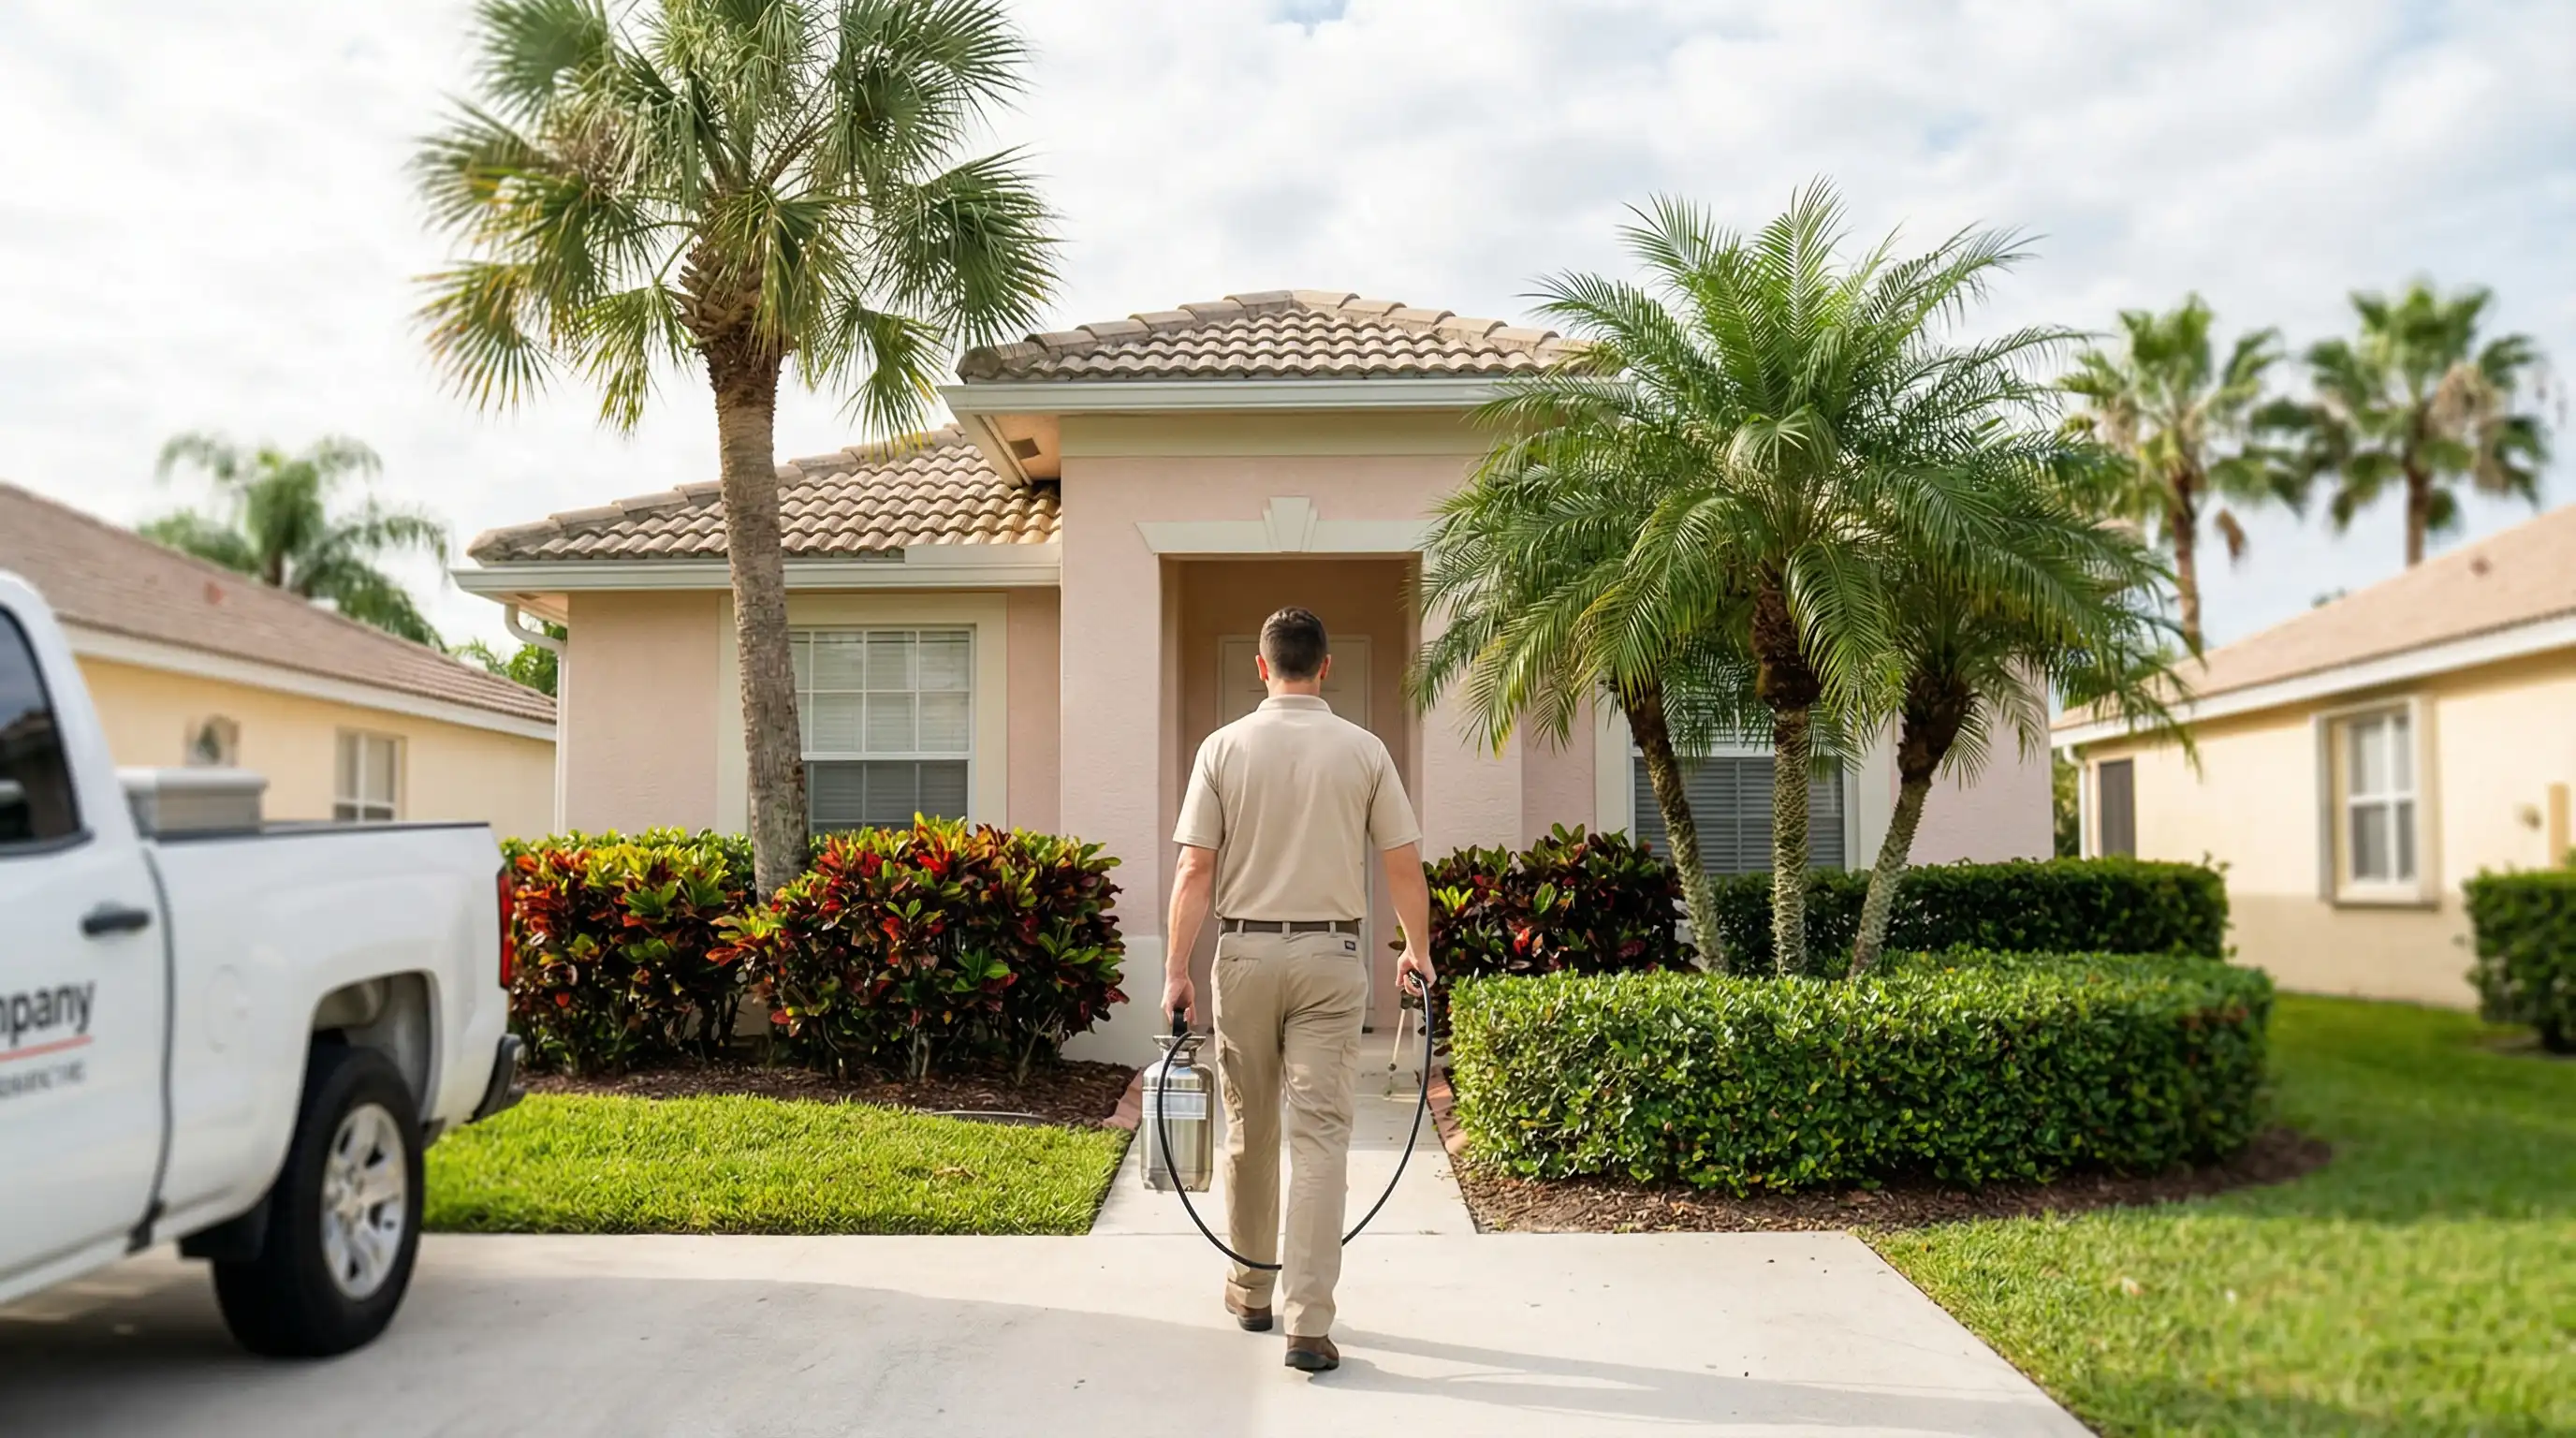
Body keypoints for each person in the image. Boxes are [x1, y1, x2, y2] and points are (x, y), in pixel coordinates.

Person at [1164, 605, 1436, 1375]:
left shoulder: (1222, 748)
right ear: (1325, 668)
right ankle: (1308, 1325)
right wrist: (1417, 953)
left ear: (1262, 667)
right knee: (1320, 1138)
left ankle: (1251, 1292)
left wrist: (1177, 970)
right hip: (1331, 956)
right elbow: (1403, 866)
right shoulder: (1364, 750)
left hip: (1245, 953)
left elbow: (1194, 870)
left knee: (1251, 1132)